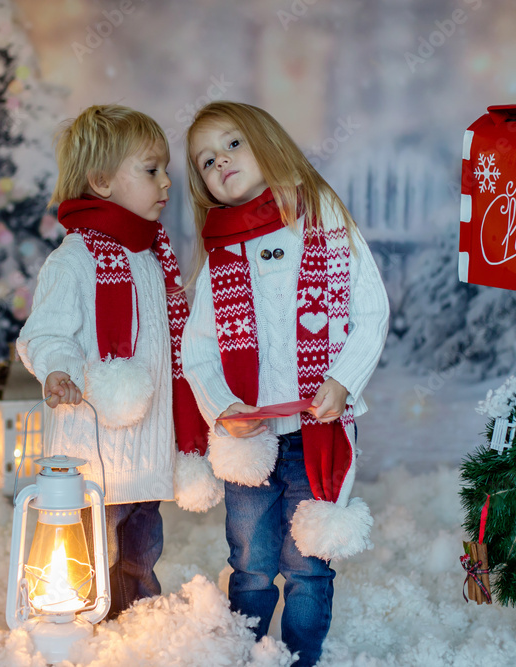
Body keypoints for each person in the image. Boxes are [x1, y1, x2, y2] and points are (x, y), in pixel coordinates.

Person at [182, 101, 389, 666]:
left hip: (314, 431)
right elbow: (197, 349)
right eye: (205, 160)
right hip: (251, 439)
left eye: (232, 144)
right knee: (251, 558)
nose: (220, 161)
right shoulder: (221, 250)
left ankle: (302, 657)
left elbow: (370, 310)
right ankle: (242, 650)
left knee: (307, 561)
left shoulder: (321, 217)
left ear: (267, 141)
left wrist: (343, 382)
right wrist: (224, 408)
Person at [17, 104, 213, 620]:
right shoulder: (76, 259)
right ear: (102, 181)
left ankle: (140, 620)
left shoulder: (152, 256)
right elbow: (47, 332)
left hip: (145, 449)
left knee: (141, 550)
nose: (166, 182)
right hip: (93, 449)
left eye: (165, 169)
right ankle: (81, 618)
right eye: (151, 170)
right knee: (88, 549)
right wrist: (58, 369)